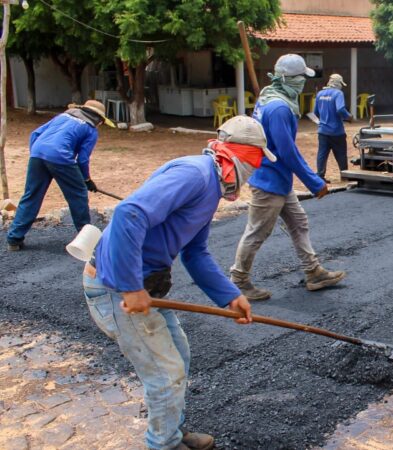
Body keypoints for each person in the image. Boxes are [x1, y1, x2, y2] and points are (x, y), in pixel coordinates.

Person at [81, 116, 270, 450]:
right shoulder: (195, 174)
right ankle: (164, 444)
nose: (253, 174)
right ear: (241, 157)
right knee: (165, 372)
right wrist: (129, 286)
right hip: (115, 288)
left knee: (178, 357)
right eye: (254, 164)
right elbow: (129, 213)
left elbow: (195, 254)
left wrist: (230, 297)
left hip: (146, 288)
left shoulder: (209, 189)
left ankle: (172, 431)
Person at [230, 54, 346, 301]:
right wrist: (315, 182)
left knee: (299, 223)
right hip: (269, 181)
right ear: (290, 79)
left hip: (279, 178)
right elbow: (287, 151)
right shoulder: (279, 108)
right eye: (301, 77)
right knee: (256, 233)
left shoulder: (268, 96)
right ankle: (238, 281)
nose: (303, 81)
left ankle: (313, 272)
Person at [6, 100, 115, 251]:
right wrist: (87, 180)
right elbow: (82, 159)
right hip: (61, 157)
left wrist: (38, 155)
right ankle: (87, 241)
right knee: (78, 195)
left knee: (31, 195)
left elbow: (35, 134)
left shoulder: (63, 117)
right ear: (98, 119)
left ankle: (14, 239)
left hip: (37, 153)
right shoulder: (90, 129)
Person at [314, 73, 352, 181]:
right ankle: (345, 176)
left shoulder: (320, 94)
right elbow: (340, 109)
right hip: (336, 132)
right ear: (338, 84)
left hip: (323, 131)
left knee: (322, 154)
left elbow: (315, 112)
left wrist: (324, 120)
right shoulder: (338, 93)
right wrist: (349, 117)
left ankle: (320, 177)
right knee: (341, 154)